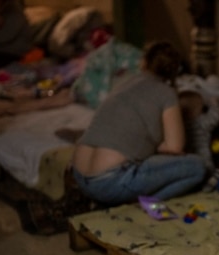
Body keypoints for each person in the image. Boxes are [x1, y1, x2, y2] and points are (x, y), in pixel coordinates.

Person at [71, 41, 206, 206]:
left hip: (78, 173)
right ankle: (144, 204)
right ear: (174, 71)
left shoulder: (123, 82)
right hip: (108, 182)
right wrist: (156, 144)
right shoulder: (167, 94)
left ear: (144, 62)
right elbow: (174, 147)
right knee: (198, 167)